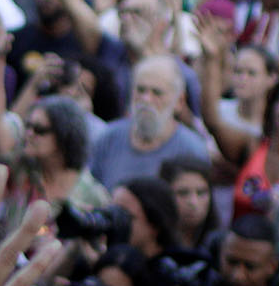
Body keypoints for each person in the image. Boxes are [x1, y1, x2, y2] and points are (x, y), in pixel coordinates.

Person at [87, 56, 210, 190]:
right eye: (140, 90)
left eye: (157, 93)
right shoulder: (108, 138)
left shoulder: (192, 150)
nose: (146, 99)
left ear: (179, 101)